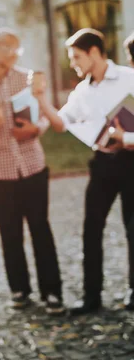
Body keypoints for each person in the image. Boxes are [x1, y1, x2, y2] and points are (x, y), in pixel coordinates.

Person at [33, 28, 134, 314]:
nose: (73, 63)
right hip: (102, 164)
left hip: (131, 162)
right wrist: (40, 98)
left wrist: (124, 137)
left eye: (76, 57)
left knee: (133, 230)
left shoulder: (129, 79)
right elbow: (59, 124)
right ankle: (92, 296)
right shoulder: (82, 91)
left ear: (94, 52)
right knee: (91, 229)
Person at [0, 28, 65, 315]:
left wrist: (38, 129)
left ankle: (52, 292)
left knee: (41, 230)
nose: (13, 54)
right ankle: (19, 290)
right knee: (10, 234)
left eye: (16, 49)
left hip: (33, 166)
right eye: (8, 48)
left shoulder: (27, 79)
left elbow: (46, 115)